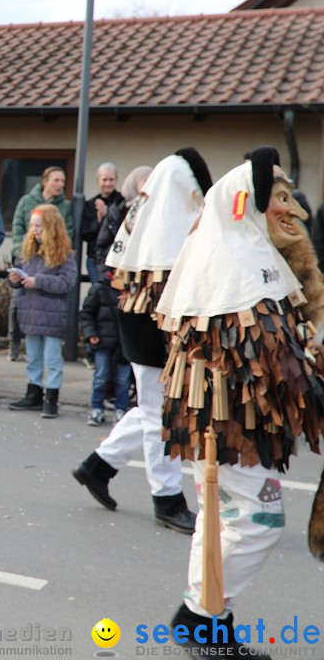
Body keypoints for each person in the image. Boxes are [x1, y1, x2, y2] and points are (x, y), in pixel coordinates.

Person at [155, 148, 324, 653]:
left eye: (290, 197)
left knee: (222, 520)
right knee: (258, 522)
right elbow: (270, 358)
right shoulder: (231, 261)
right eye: (278, 198)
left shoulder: (256, 254)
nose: (290, 209)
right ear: (245, 204)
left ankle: (207, 621)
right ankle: (198, 616)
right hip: (231, 423)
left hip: (242, 420)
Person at [71, 149, 210, 535]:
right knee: (157, 414)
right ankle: (167, 500)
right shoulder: (166, 216)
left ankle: (96, 467)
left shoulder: (144, 209)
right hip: (148, 321)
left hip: (141, 316)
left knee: (152, 407)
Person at [7, 204, 76, 418]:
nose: (34, 230)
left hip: (51, 314)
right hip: (30, 311)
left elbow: (67, 282)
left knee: (52, 359)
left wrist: (38, 281)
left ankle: (51, 398)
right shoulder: (29, 251)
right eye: (32, 226)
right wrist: (15, 280)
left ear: (51, 227)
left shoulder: (64, 253)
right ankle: (34, 393)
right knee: (33, 357)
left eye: (39, 226)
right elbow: (21, 277)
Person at [8, 166, 75, 362]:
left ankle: (51, 392)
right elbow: (17, 227)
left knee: (51, 356)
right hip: (27, 255)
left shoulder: (65, 207)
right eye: (56, 180)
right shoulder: (27, 201)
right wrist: (22, 252)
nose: (60, 185)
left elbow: (68, 231)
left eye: (63, 181)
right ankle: (13, 341)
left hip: (53, 257)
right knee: (17, 303)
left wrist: (54, 247)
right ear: (45, 181)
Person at [79, 277, 130, 425]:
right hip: (105, 340)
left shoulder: (133, 288)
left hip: (122, 342)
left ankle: (119, 409)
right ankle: (98, 408)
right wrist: (91, 333)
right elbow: (87, 313)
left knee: (122, 380)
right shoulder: (100, 288)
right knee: (102, 377)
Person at [79, 162, 121, 284]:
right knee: (99, 292)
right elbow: (85, 233)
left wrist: (108, 216)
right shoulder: (90, 204)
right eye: (104, 180)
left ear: (116, 180)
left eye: (111, 179)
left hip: (116, 258)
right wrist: (99, 220)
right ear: (98, 181)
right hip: (95, 259)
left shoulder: (121, 201)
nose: (108, 183)